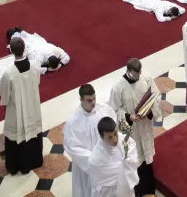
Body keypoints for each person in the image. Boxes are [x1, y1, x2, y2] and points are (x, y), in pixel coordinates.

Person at [109, 58, 161, 197]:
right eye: (135, 75)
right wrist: (128, 117)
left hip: (144, 126)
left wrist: (149, 110)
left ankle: (150, 190)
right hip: (131, 132)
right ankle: (138, 191)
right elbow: (114, 110)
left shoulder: (146, 78)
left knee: (147, 160)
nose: (138, 77)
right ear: (128, 71)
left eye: (139, 73)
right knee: (135, 161)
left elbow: (156, 96)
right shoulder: (118, 88)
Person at [0, 36, 43, 175]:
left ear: (11, 51)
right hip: (33, 107)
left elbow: (3, 95)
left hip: (17, 112)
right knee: (32, 132)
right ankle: (35, 160)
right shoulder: (35, 65)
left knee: (17, 135)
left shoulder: (9, 73)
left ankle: (16, 166)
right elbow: (37, 82)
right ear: (24, 49)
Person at [63, 83, 117, 197]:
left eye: (94, 99)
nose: (93, 103)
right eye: (89, 100)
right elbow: (72, 147)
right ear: (81, 99)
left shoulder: (104, 110)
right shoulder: (73, 122)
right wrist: (94, 158)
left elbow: (114, 128)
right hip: (87, 165)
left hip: (106, 161)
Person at [88, 116, 139, 197]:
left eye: (115, 134)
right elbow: (98, 182)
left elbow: (133, 158)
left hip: (127, 189)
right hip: (109, 193)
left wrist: (127, 163)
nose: (115, 139)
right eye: (110, 137)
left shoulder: (124, 139)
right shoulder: (95, 158)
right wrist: (123, 167)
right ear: (102, 137)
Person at [120, 0, 184, 22]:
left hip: (154, 0)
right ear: (170, 12)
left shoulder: (172, 5)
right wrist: (171, 18)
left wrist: (177, 14)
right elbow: (161, 19)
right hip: (149, 4)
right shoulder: (160, 9)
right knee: (137, 0)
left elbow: (183, 9)